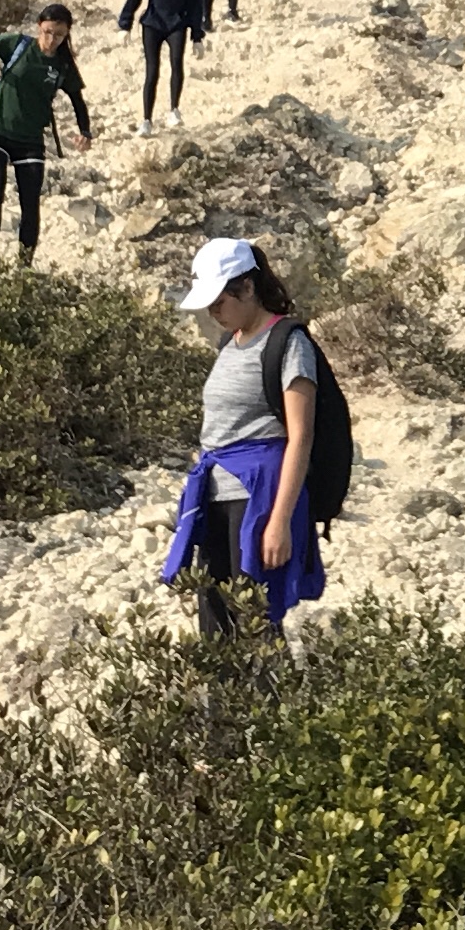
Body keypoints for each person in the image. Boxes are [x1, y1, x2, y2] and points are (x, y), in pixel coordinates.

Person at [157, 236, 325, 637]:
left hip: (256, 498)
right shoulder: (229, 343)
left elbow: (300, 436)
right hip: (216, 496)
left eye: (219, 302)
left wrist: (279, 521)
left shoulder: (288, 343)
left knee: (256, 623)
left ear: (247, 287)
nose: (214, 312)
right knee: (216, 624)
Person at [0, 1, 90, 262]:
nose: (51, 39)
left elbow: (78, 101)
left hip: (30, 139)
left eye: (59, 35)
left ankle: (25, 267)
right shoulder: (18, 44)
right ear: (39, 27)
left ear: (67, 34)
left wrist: (85, 133)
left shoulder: (63, 64)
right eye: (47, 32)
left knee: (31, 203)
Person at [115, 0, 210, 124]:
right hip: (153, 24)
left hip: (177, 24)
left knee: (176, 63)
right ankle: (146, 119)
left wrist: (197, 35)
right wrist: (125, 25)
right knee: (152, 71)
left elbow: (196, 4)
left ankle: (174, 110)